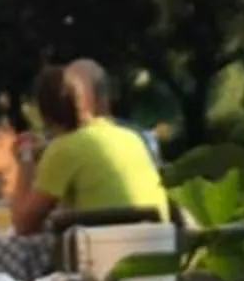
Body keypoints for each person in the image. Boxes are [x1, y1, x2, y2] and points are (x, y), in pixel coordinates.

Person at [10, 60, 169, 234]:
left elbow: (24, 226)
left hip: (101, 254)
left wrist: (25, 160)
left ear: (44, 114)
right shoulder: (130, 138)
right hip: (156, 248)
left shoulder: (63, 150)